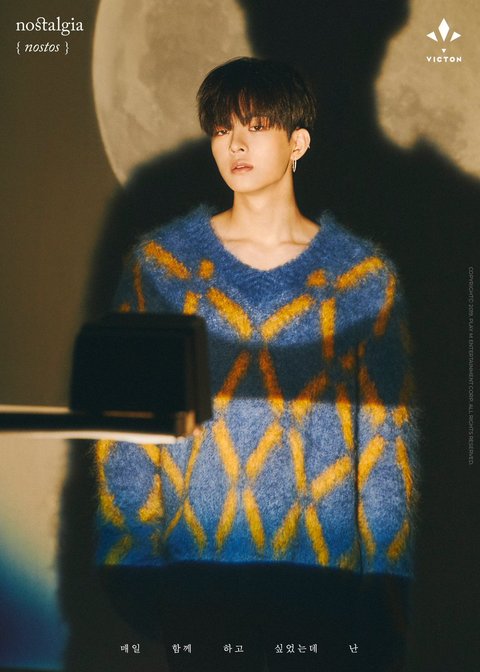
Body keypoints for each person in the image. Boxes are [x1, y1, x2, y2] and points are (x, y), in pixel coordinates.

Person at [96, 57, 418, 671]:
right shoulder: (162, 269)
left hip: (325, 590)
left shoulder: (362, 278)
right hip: (198, 585)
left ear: (298, 143)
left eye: (257, 125)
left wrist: (386, 596)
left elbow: (385, 449)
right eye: (222, 129)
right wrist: (134, 571)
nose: (235, 144)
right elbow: (129, 430)